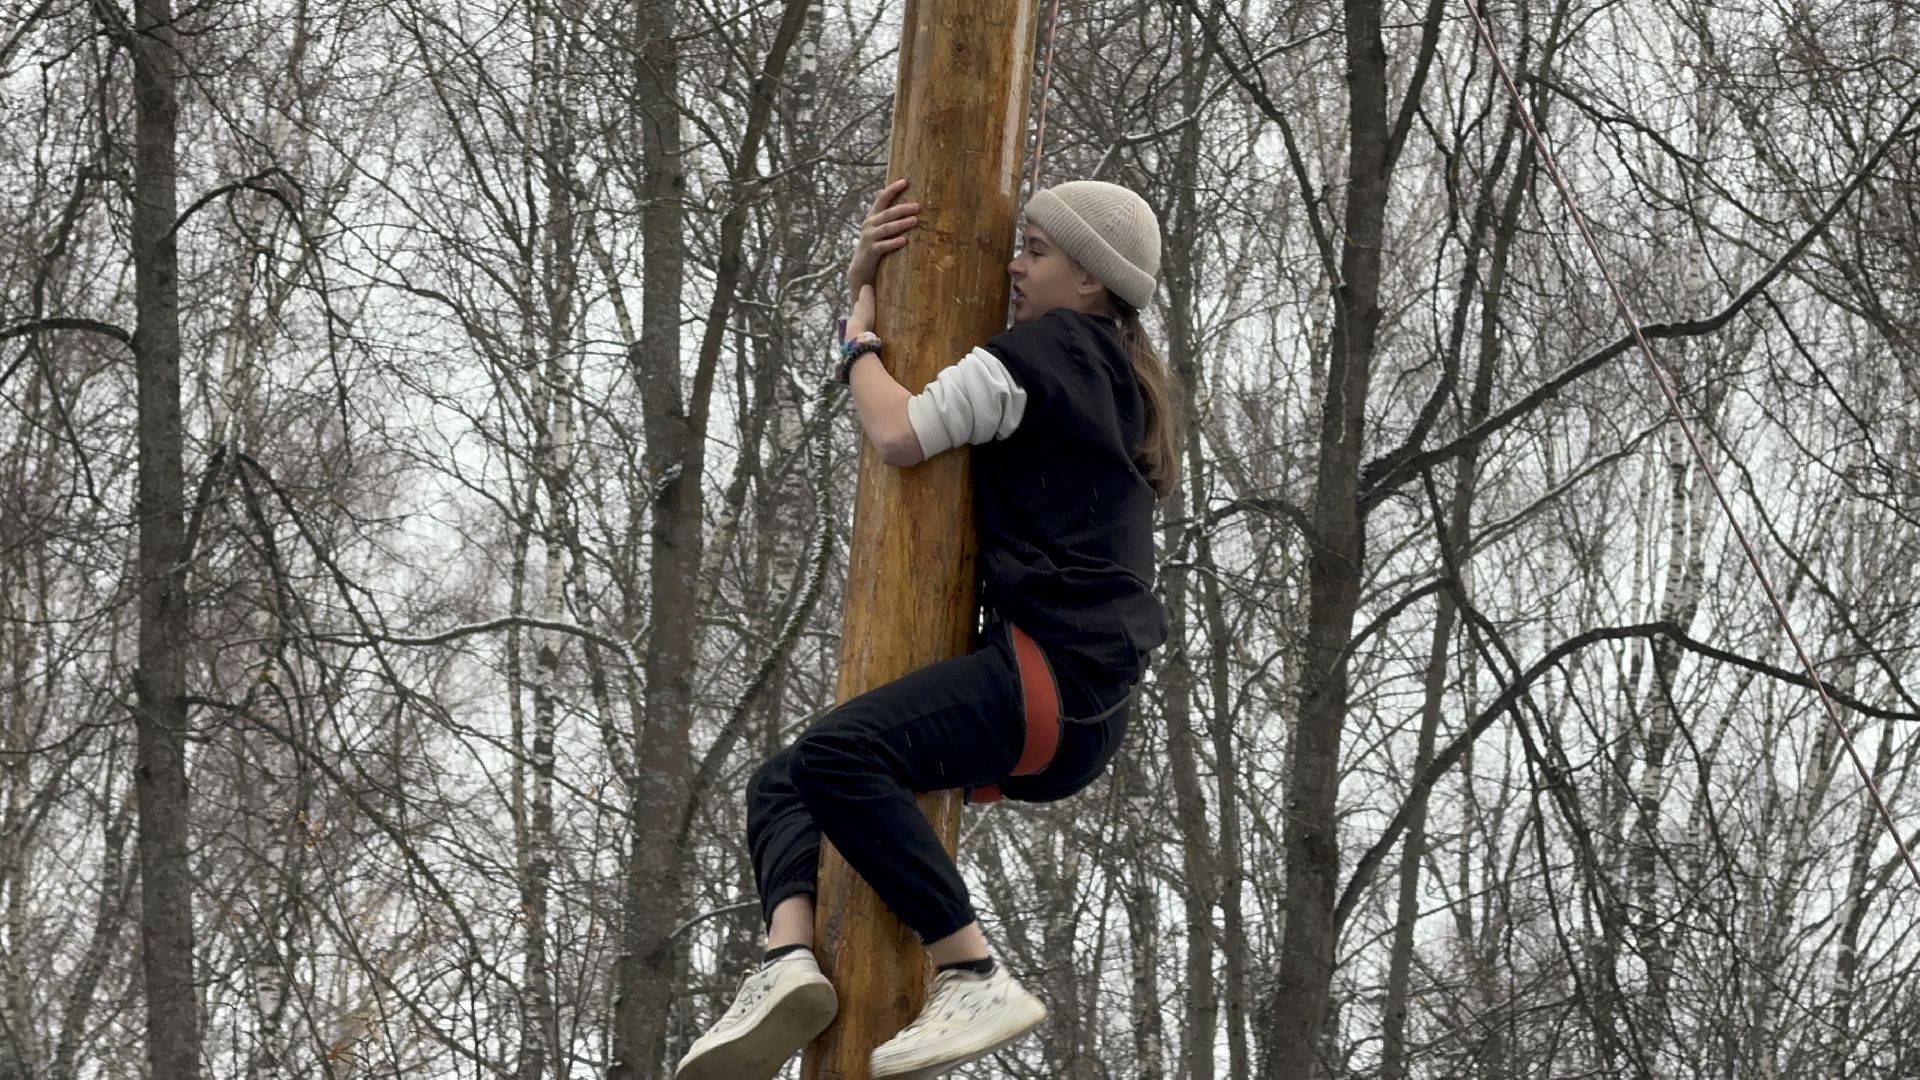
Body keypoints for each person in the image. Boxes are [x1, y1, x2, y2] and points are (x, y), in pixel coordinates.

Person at [675, 178, 1180, 1080]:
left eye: (1034, 252)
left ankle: (971, 969)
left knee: (838, 757)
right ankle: (787, 963)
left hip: (1050, 678)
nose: (1014, 268)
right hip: (1076, 702)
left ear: (1093, 283)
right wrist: (883, 266)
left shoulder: (1048, 350)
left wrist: (858, 331)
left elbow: (899, 431)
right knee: (785, 781)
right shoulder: (1111, 374)